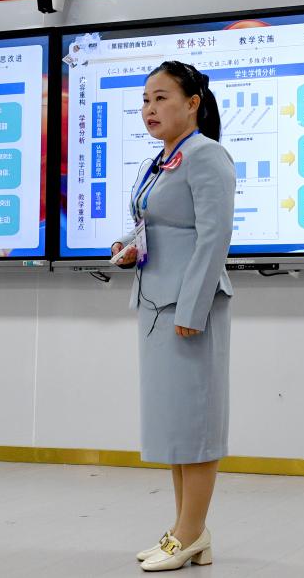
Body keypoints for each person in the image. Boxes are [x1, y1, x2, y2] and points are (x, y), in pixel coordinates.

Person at [110, 60, 235, 572]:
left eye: (161, 98)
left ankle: (189, 533)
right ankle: (188, 531)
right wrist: (126, 244)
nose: (150, 109)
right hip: (155, 304)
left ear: (192, 103)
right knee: (175, 425)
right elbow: (152, 222)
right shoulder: (160, 161)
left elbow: (214, 237)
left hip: (188, 308)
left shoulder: (207, 155)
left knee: (196, 424)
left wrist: (193, 307)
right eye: (145, 99)